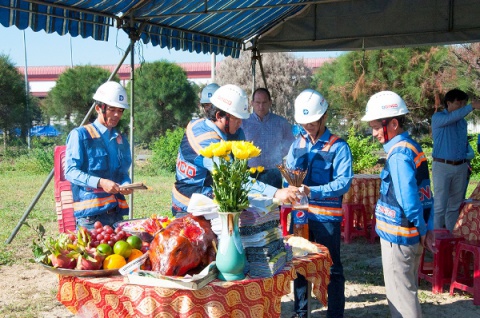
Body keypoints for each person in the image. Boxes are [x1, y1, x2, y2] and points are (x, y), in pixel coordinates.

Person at [361, 90, 436, 318]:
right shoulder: (412, 147)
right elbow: (427, 195)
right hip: (410, 235)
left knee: (401, 298)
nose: (374, 133)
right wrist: (426, 228)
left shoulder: (398, 154)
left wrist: (423, 230)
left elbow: (409, 200)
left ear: (393, 123)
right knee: (407, 290)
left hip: (399, 237)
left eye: (376, 127)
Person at [172, 84, 298, 216]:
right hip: (189, 206)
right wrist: (276, 192)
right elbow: (232, 178)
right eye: (236, 119)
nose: (240, 124)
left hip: (213, 202)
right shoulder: (204, 139)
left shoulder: (232, 132)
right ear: (219, 115)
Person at [286, 89, 353, 318]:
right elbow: (288, 170)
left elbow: (344, 183)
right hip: (301, 217)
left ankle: (335, 315)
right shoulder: (297, 143)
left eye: (312, 122)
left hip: (327, 219)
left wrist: (312, 190)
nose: (308, 127)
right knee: (300, 266)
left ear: (324, 117)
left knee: (332, 269)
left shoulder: (339, 147)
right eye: (304, 123)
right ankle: (300, 313)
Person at [65, 81, 133, 229]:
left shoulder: (120, 139)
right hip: (91, 219)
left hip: (116, 215)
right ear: (98, 108)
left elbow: (122, 173)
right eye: (112, 109)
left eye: (120, 110)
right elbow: (70, 172)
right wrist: (100, 182)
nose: (117, 114)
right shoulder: (80, 135)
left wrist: (126, 183)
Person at [432, 89, 480, 232]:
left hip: (460, 166)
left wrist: (465, 164)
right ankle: (436, 240)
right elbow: (452, 117)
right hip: (442, 165)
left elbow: (463, 144)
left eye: (464, 103)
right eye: (459, 103)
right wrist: (471, 106)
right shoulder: (438, 117)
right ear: (448, 103)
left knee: (454, 205)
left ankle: (451, 238)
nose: (462, 107)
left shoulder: (462, 123)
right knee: (440, 205)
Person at [241, 88, 295, 187]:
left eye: (264, 102)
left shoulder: (280, 122)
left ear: (270, 103)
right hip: (250, 172)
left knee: (274, 201)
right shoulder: (243, 122)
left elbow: (291, 143)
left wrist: (277, 154)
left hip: (273, 173)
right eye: (257, 102)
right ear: (252, 103)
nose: (261, 106)